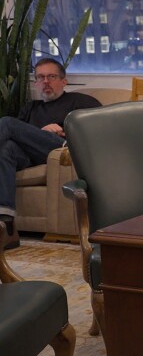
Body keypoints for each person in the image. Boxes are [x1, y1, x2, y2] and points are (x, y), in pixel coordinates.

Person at [1, 58, 101, 250]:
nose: (45, 81)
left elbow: (96, 129)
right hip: (31, 155)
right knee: (5, 149)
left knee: (6, 122)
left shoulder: (81, 101)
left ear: (64, 81)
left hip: (60, 147)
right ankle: (8, 226)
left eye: (51, 76)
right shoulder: (31, 107)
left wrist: (63, 129)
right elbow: (17, 136)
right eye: (40, 77)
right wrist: (40, 131)